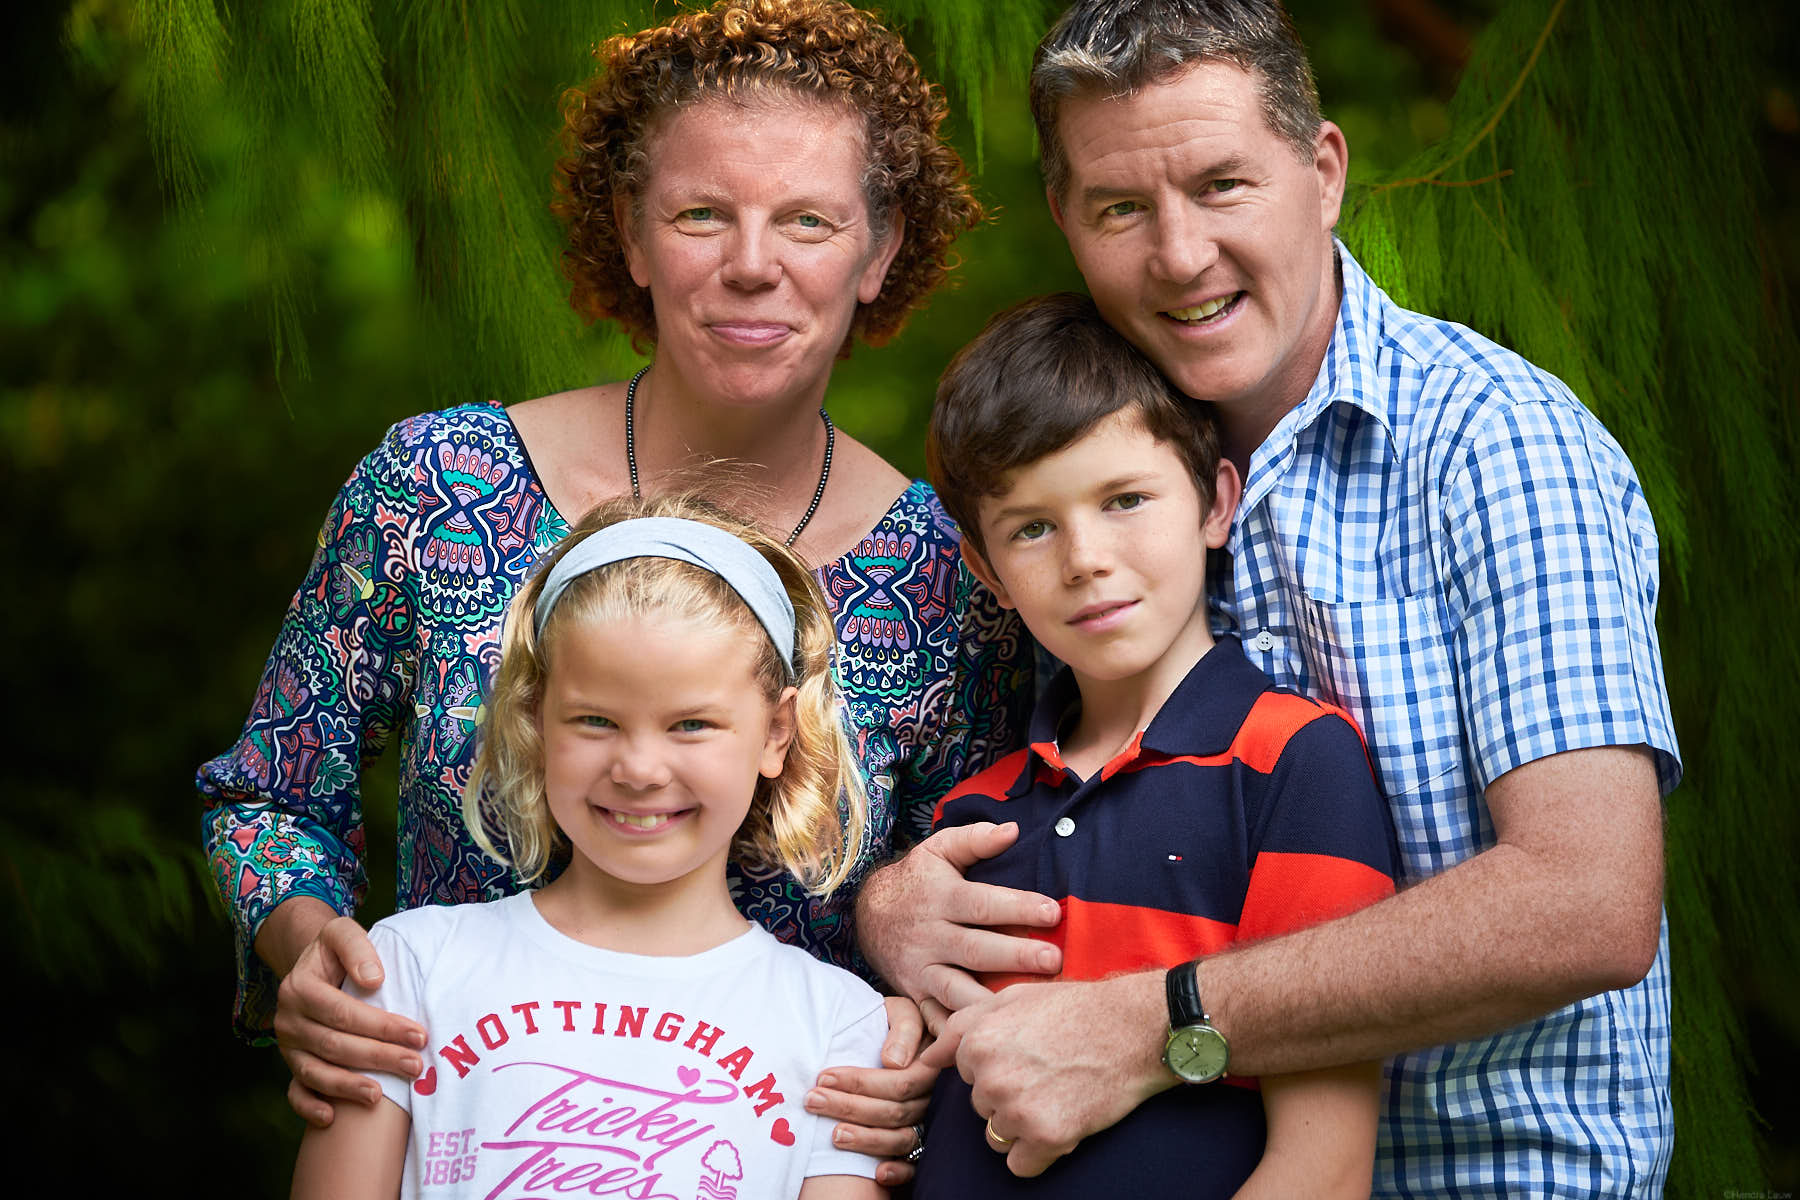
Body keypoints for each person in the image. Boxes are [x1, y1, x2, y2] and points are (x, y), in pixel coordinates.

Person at [857, 1, 1681, 1195]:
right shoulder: (1083, 463)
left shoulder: (1495, 446)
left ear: (1324, 170)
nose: (1180, 254)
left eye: (1224, 183)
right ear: (1068, 224)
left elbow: (1587, 904)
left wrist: (1152, 1023)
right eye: (1121, 208)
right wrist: (899, 912)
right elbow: (1049, 798)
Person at [197, 1, 1030, 1181]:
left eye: (808, 220)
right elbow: (268, 801)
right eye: (701, 215)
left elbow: (982, 878)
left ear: (880, 252)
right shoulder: (438, 487)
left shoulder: (953, 578)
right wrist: (311, 949)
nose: (753, 263)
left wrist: (903, 973)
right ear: (632, 238)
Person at [906, 292, 1397, 1199]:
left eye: (1125, 499)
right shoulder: (972, 815)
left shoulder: (1294, 763)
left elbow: (1323, 1167)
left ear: (1215, 502)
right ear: (986, 569)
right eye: (1032, 527)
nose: (1085, 557)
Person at [291, 496, 888, 1199]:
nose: (638, 769)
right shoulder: (410, 971)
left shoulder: (837, 1024)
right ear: (535, 716)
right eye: (596, 720)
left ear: (777, 733)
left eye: (692, 724)